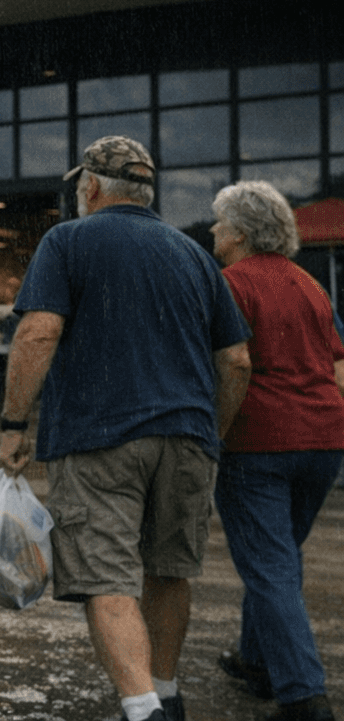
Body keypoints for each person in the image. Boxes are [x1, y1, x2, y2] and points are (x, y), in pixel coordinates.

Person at [0, 135, 252, 721]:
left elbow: (37, 333)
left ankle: (141, 711)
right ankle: (165, 693)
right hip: (188, 437)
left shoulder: (67, 240)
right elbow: (237, 360)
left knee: (107, 576)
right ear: (146, 190)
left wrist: (14, 424)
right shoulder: (194, 255)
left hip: (98, 439)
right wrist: (210, 432)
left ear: (89, 187)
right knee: (168, 571)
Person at [207, 181, 344, 721]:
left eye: (219, 222)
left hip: (258, 441)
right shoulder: (310, 284)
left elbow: (233, 363)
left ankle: (303, 696)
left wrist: (216, 433)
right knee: (276, 557)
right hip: (325, 440)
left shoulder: (230, 284)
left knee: (269, 564)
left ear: (240, 232)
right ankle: (257, 661)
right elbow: (337, 364)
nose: (213, 231)